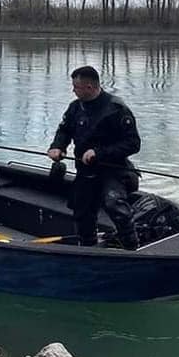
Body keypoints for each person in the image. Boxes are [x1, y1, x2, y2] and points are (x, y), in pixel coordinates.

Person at [47, 66, 141, 249]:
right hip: (86, 171)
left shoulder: (116, 109)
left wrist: (99, 153)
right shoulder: (75, 107)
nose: (73, 90)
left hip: (112, 169)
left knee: (114, 205)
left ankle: (132, 247)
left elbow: (133, 143)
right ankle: (87, 247)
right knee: (81, 210)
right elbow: (65, 130)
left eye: (76, 87)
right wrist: (57, 147)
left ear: (89, 87)